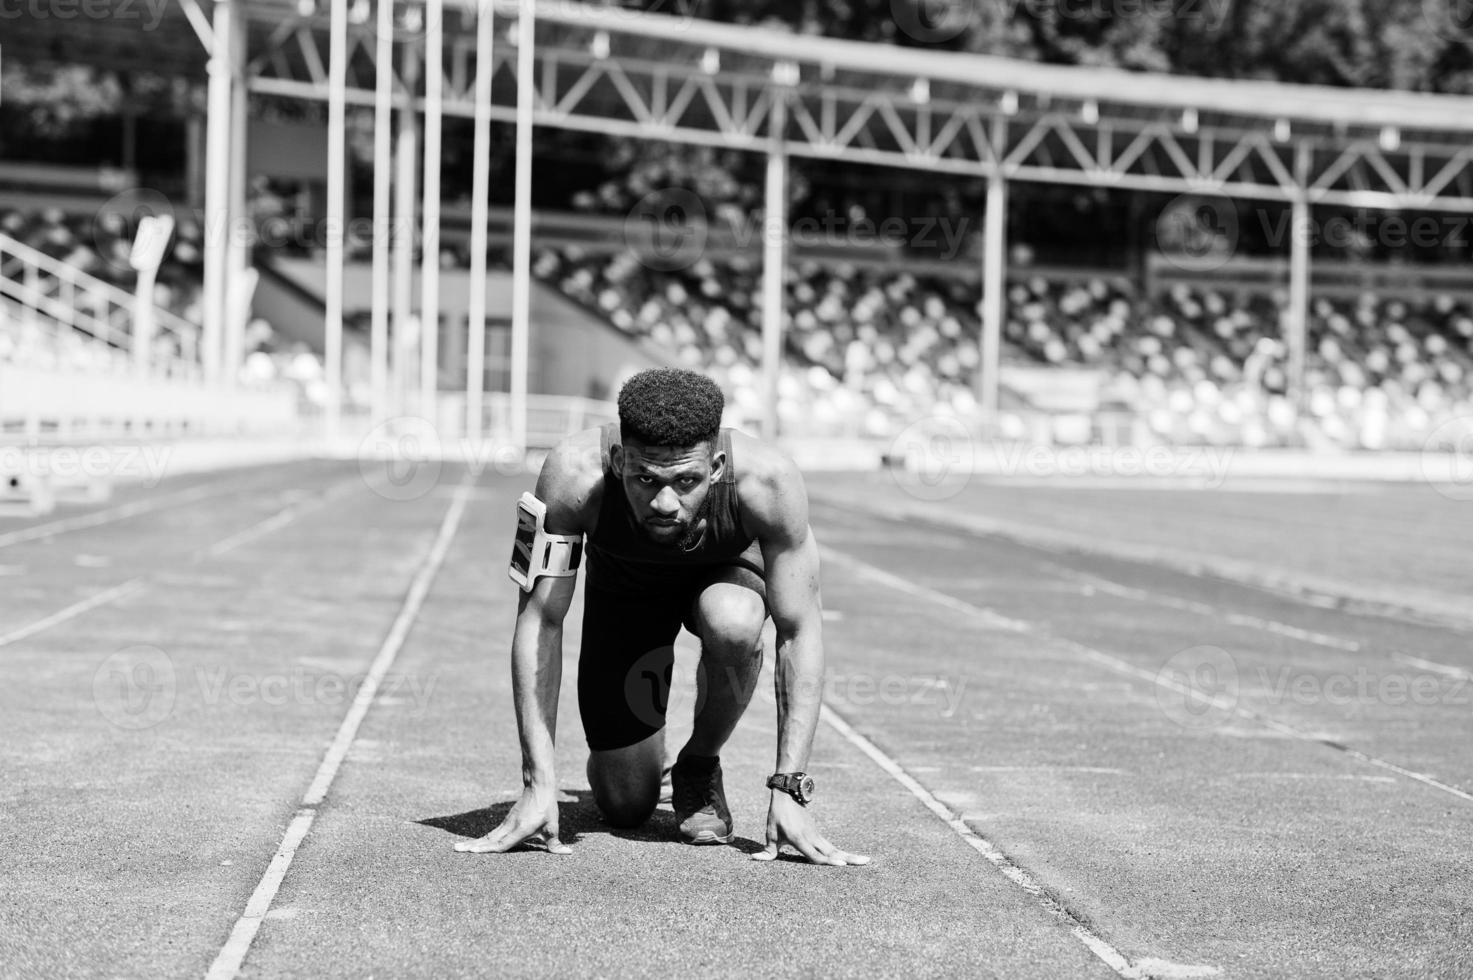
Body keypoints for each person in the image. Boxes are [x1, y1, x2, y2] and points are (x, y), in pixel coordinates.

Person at [456, 367, 868, 866]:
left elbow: (799, 632)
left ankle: (698, 761)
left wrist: (789, 790)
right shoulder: (571, 475)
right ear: (616, 459)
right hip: (625, 587)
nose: (665, 502)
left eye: (687, 480)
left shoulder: (770, 481)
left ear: (717, 467)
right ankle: (635, 764)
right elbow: (540, 620)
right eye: (645, 479)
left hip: (725, 573)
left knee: (735, 622)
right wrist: (536, 784)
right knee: (626, 804)